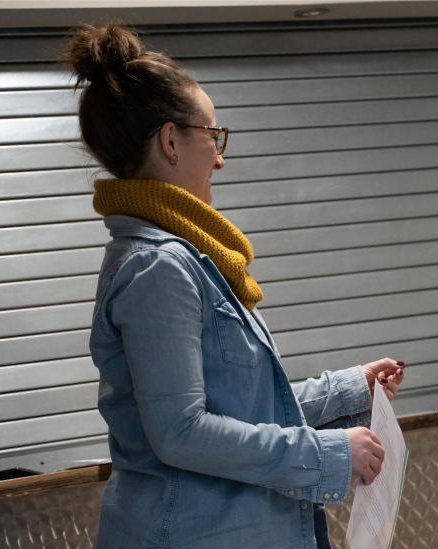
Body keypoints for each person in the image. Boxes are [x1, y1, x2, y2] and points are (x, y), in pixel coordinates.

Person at [66, 23, 404, 548]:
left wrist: (346, 388)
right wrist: (330, 454)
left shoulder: (188, 259)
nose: (220, 158)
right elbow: (182, 432)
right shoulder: (158, 267)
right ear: (171, 141)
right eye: (213, 136)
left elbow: (242, 408)